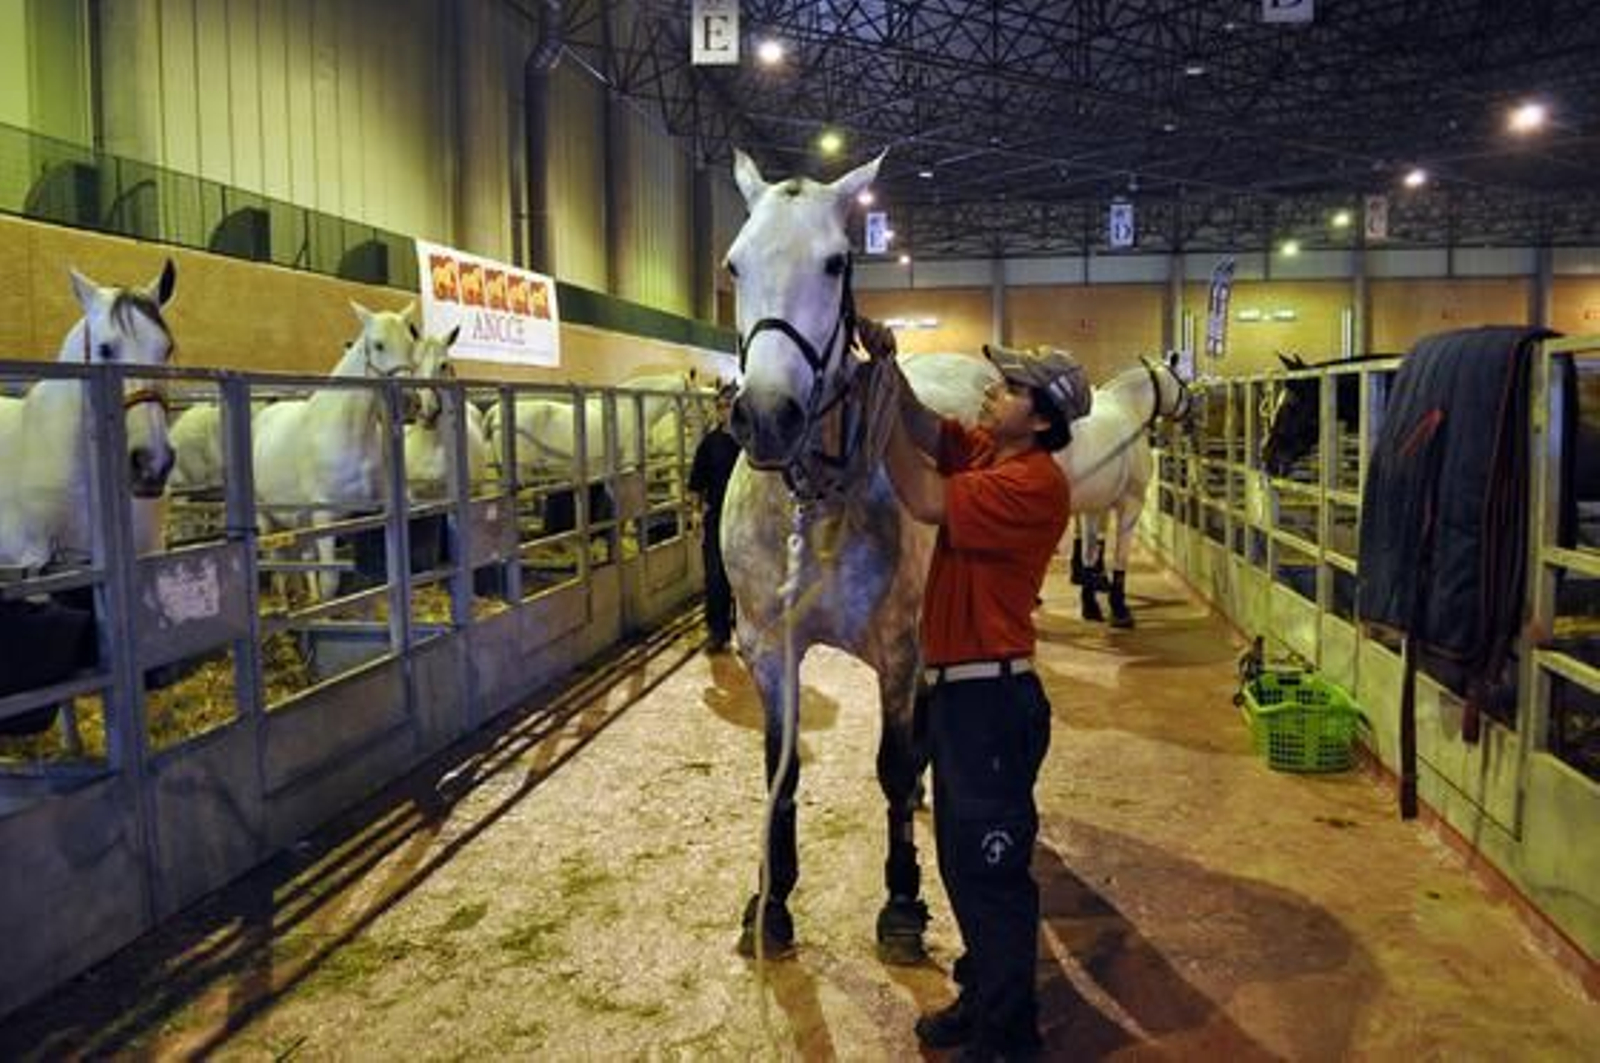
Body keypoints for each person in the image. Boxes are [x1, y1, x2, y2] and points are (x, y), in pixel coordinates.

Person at [861, 319, 1086, 1061]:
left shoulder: (1031, 483)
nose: (996, 389)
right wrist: (887, 368)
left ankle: (1010, 1036)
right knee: (963, 863)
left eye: (1013, 387)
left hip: (991, 704)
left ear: (1044, 417)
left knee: (992, 872)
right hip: (964, 698)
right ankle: (985, 998)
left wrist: (873, 418)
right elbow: (928, 427)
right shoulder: (996, 451)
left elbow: (924, 493)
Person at [689, 382, 741, 652]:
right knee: (715, 576)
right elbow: (697, 482)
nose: (724, 412)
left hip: (747, 520)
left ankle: (747, 631)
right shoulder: (709, 444)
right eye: (720, 407)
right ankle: (718, 631)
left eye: (729, 406)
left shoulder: (751, 443)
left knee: (747, 578)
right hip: (718, 517)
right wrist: (697, 511)